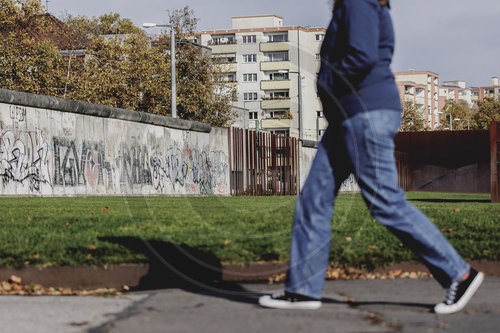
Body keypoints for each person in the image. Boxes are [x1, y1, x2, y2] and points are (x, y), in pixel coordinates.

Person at [258, 0, 483, 314]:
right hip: (349, 116)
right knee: (314, 199)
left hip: (364, 113)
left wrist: (327, 85)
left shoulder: (358, 2)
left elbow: (362, 56)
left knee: (385, 202)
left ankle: (459, 272)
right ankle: (302, 290)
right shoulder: (371, 6)